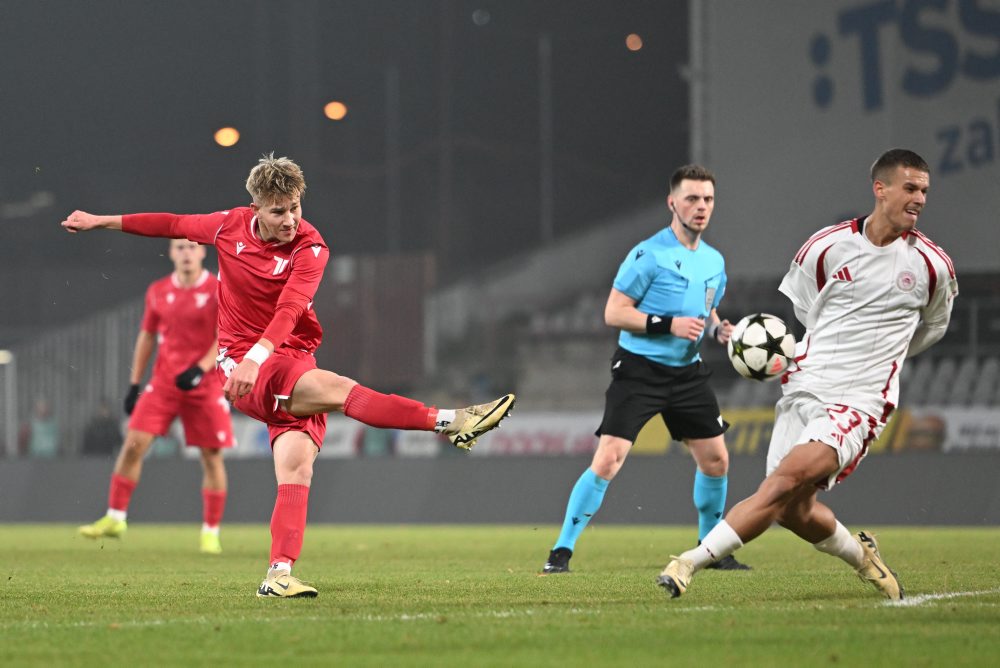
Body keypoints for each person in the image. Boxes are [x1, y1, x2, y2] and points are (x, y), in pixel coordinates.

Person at [62, 153, 515, 598]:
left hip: (288, 359)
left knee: (297, 470)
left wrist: (262, 358)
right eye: (278, 211)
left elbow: (290, 309)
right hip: (244, 361)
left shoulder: (311, 247)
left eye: (295, 207)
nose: (290, 219)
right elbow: (171, 223)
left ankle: (278, 574)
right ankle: (452, 422)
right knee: (340, 392)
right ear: (256, 208)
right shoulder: (227, 226)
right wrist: (101, 220)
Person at [657, 149, 957, 601]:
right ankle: (863, 557)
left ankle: (689, 562)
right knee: (791, 509)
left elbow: (932, 329)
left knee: (782, 481)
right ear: (881, 189)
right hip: (804, 387)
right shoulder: (826, 246)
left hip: (859, 401)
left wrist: (880, 361)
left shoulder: (932, 266)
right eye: (911, 188)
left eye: (924, 191)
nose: (920, 199)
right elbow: (805, 310)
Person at [542, 164, 749, 574]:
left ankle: (711, 550)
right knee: (609, 459)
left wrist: (717, 327)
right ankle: (560, 553)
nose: (701, 207)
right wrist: (667, 325)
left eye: (707, 199)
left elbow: (705, 306)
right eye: (691, 198)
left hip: (687, 373)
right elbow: (613, 312)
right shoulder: (648, 254)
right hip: (640, 370)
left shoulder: (714, 261)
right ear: (672, 203)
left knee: (716, 461)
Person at [78, 239, 234, 555]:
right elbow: (147, 336)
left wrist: (200, 368)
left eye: (192, 247)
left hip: (203, 385)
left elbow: (225, 336)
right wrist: (135, 384)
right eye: (180, 247)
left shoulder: (218, 289)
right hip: (163, 384)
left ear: (203, 252)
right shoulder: (158, 290)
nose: (186, 253)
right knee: (133, 445)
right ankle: (115, 518)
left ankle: (210, 533)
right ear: (171, 253)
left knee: (211, 457)